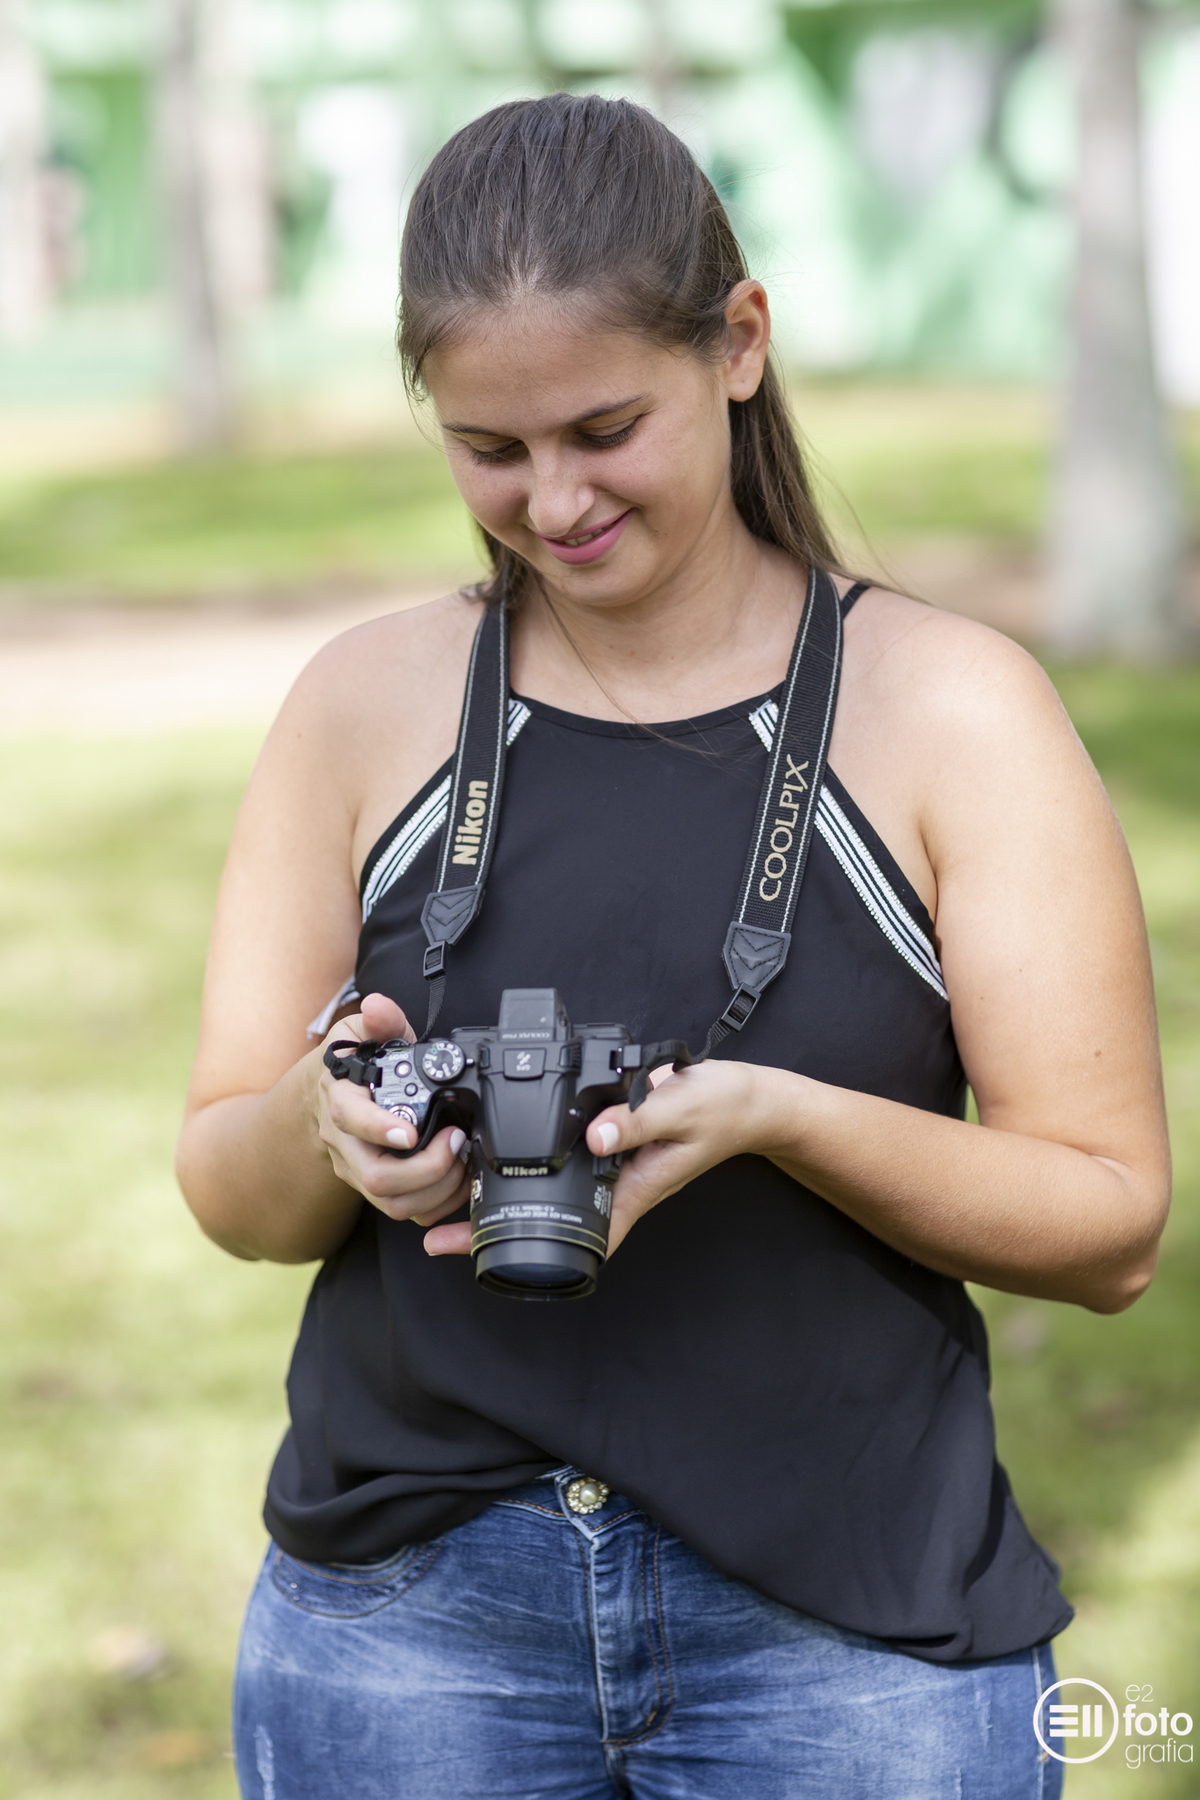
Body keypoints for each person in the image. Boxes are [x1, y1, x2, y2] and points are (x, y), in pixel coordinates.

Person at [176, 94, 1170, 1800]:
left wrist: (780, 1118)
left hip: (848, 1632)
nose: (551, 501)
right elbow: (227, 1187)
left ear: (741, 345)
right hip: (410, 1622)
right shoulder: (366, 704)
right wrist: (323, 1125)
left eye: (602, 427)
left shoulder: (955, 711)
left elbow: (1110, 1225)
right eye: (489, 448)